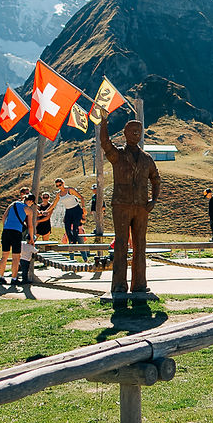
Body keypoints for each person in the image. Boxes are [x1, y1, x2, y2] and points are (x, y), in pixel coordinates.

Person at [100, 119, 162, 294]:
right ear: (125, 134)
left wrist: (154, 200)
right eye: (132, 131)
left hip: (142, 207)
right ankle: (119, 285)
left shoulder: (146, 159)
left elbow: (156, 180)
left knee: (140, 245)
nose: (136, 133)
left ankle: (139, 284)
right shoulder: (117, 155)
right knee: (120, 244)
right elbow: (105, 143)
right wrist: (104, 122)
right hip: (121, 205)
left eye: (138, 131)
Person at [0, 193, 37, 285]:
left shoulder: (13, 203)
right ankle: (14, 278)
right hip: (16, 232)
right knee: (16, 257)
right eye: (32, 203)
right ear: (31, 201)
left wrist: (5, 227)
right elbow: (30, 226)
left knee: (4, 256)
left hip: (6, 231)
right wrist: (31, 238)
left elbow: (4, 217)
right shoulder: (28, 210)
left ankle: (1, 277)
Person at [54, 178, 88, 261]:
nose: (59, 186)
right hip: (68, 210)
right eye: (57, 185)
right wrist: (46, 211)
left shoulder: (70, 190)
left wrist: (83, 207)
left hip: (76, 209)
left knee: (76, 227)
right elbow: (53, 204)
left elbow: (81, 197)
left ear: (63, 183)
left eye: (60, 184)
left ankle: (82, 256)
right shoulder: (59, 194)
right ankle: (72, 245)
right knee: (67, 228)